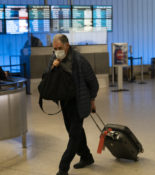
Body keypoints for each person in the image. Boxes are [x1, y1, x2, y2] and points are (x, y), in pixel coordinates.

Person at [47, 34, 99, 175]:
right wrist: (53, 67)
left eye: (59, 48)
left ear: (67, 46)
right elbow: (47, 77)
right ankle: (87, 157)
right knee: (74, 132)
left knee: (74, 136)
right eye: (55, 48)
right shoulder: (54, 58)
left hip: (79, 101)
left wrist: (92, 100)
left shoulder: (78, 60)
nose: (57, 51)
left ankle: (63, 169)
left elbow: (93, 82)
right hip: (65, 102)